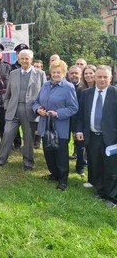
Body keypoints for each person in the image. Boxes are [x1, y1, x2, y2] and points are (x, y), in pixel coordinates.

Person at [0, 49, 46, 170]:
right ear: (18, 59)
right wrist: (7, 106)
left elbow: (44, 94)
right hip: (13, 109)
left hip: (30, 110)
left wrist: (40, 109)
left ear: (31, 60)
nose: (24, 60)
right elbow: (8, 93)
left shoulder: (40, 74)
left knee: (28, 139)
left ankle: (28, 163)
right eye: (22, 58)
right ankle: (1, 160)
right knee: (7, 134)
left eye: (26, 58)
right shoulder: (13, 73)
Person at [33, 59, 78, 191]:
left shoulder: (68, 87)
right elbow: (36, 101)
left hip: (60, 127)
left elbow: (73, 108)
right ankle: (54, 174)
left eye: (59, 72)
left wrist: (57, 113)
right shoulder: (45, 85)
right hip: (45, 125)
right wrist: (38, 109)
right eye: (53, 72)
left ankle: (63, 180)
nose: (56, 74)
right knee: (48, 151)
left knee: (61, 154)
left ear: (64, 73)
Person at [76, 65, 117, 208]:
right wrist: (79, 131)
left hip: (111, 139)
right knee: (96, 164)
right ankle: (100, 191)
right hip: (92, 136)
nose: (102, 79)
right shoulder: (87, 93)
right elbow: (80, 114)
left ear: (110, 78)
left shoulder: (115, 93)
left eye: (105, 77)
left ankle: (111, 197)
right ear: (94, 78)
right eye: (99, 76)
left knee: (111, 167)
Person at [75, 64, 97, 188]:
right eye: (86, 73)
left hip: (96, 126)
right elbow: (79, 110)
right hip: (84, 125)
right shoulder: (81, 89)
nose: (88, 75)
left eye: (91, 73)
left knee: (94, 153)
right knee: (82, 148)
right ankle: (82, 169)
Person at [10, 43, 29, 151]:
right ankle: (17, 143)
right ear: (17, 55)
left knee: (27, 125)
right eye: (19, 54)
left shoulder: (33, 69)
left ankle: (28, 144)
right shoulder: (11, 68)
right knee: (15, 123)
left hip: (28, 102)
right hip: (15, 100)